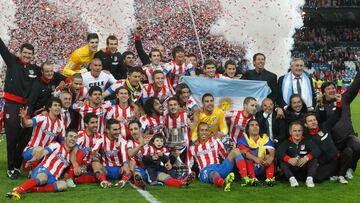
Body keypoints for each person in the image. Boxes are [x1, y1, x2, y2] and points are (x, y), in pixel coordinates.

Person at [0, 38, 41, 179]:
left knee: (25, 138)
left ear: (33, 55)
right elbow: (2, 47)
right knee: (12, 137)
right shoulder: (12, 62)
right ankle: (10, 168)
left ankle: (17, 165)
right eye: (25, 52)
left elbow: (50, 75)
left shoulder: (36, 69)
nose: (27, 55)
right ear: (20, 52)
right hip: (11, 105)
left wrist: (66, 79)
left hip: (27, 107)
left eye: (30, 53)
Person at [6, 129, 78, 200]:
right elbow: (43, 152)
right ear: (65, 138)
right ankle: (17, 191)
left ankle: (34, 189)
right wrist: (33, 159)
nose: (73, 139)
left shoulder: (70, 157)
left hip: (53, 179)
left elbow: (65, 172)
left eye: (75, 137)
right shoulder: (56, 145)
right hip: (43, 170)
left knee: (64, 185)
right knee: (43, 178)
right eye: (70, 136)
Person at [317, 72, 360, 179]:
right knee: (347, 154)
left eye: (333, 88)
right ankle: (340, 172)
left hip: (348, 136)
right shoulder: (320, 106)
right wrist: (320, 104)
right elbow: (319, 121)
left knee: (357, 146)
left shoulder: (344, 98)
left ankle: (350, 169)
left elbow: (356, 84)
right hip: (333, 141)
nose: (332, 90)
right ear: (323, 93)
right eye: (328, 89)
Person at [188, 122, 246, 191]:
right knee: (214, 173)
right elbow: (189, 164)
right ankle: (224, 183)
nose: (204, 132)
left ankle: (245, 179)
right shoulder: (193, 147)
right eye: (202, 130)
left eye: (206, 130)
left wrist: (231, 151)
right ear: (198, 132)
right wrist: (190, 173)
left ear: (209, 131)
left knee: (236, 151)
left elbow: (225, 156)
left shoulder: (216, 141)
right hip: (205, 170)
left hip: (219, 167)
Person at [21, 98, 65, 168]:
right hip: (31, 150)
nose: (58, 107)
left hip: (46, 153)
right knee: (39, 149)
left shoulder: (61, 124)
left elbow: (63, 142)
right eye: (55, 105)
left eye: (59, 106)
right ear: (50, 108)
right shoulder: (42, 118)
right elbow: (26, 124)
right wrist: (23, 118)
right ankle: (31, 163)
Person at [277, 121, 320, 188]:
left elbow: (317, 150)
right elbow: (279, 152)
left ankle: (309, 179)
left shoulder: (307, 141)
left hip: (304, 170)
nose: (297, 133)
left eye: (299, 131)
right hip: (292, 170)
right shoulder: (286, 142)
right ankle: (292, 180)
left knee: (314, 159)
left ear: (302, 132)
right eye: (295, 131)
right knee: (282, 161)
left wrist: (306, 158)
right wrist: (289, 159)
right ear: (290, 132)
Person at [91, 119, 131, 188]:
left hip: (120, 170)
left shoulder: (122, 140)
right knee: (95, 163)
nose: (118, 132)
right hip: (106, 170)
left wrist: (125, 164)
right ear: (107, 130)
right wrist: (96, 155)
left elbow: (124, 153)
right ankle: (103, 181)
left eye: (119, 129)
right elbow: (94, 150)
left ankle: (123, 181)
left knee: (131, 162)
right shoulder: (101, 139)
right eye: (115, 130)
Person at [65, 113, 101, 187]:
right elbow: (73, 153)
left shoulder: (99, 136)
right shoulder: (80, 135)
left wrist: (97, 156)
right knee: (82, 151)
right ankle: (69, 177)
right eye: (92, 122)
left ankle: (76, 179)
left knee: (100, 174)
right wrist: (76, 166)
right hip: (75, 163)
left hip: (88, 165)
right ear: (86, 124)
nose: (95, 125)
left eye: (97, 122)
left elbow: (98, 155)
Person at [237, 119, 275, 186]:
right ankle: (253, 179)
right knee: (247, 157)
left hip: (263, 165)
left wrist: (270, 159)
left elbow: (271, 150)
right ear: (248, 129)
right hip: (250, 167)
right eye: (252, 125)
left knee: (268, 156)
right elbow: (244, 152)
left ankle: (269, 180)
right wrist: (255, 159)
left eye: (257, 125)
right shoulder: (244, 139)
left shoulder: (264, 138)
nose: (255, 127)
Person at [127, 120, 150, 190]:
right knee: (136, 171)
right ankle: (140, 182)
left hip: (150, 168)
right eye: (131, 130)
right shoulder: (129, 142)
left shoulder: (149, 140)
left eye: (135, 129)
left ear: (140, 129)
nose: (133, 131)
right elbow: (130, 154)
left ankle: (180, 183)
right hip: (138, 168)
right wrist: (141, 144)